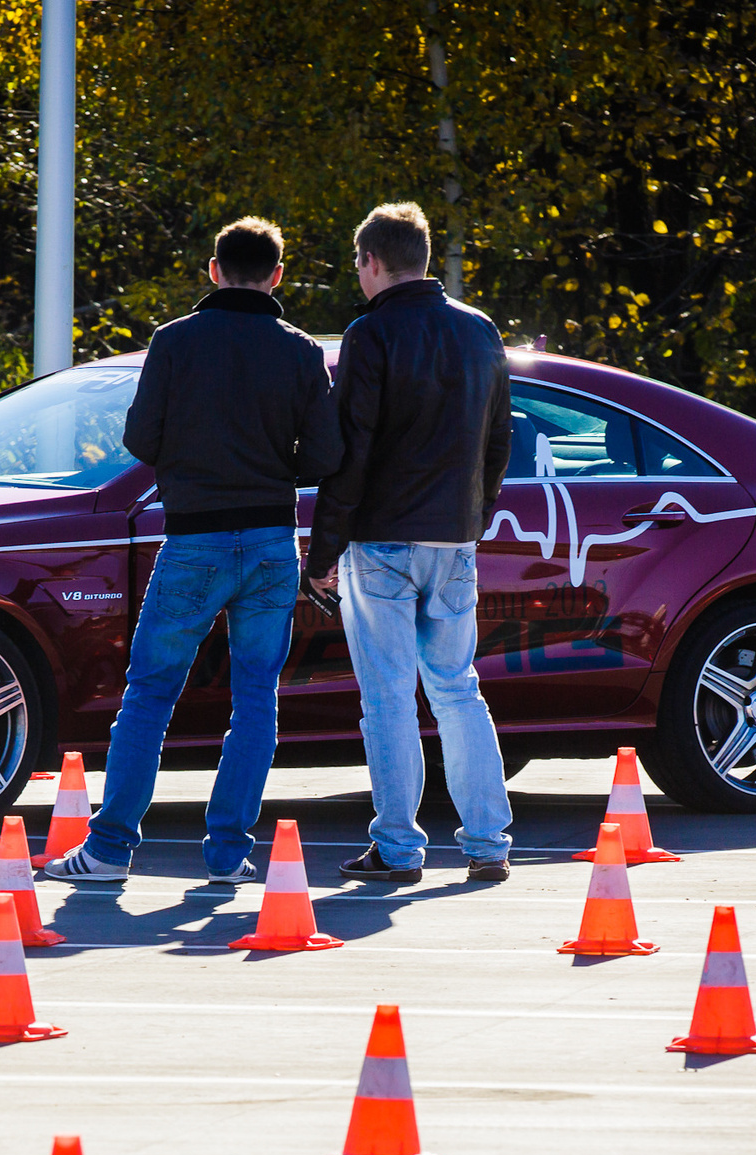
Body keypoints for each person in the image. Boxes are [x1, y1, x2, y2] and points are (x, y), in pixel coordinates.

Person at [43, 217, 343, 885]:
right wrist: (270, 462)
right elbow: (325, 455)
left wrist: (198, 455)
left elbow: (142, 440)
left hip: (194, 539)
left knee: (149, 692)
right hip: (270, 541)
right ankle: (229, 853)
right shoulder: (300, 352)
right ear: (278, 276)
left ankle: (110, 848)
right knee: (256, 697)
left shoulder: (174, 342)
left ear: (213, 270)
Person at [307, 201, 515, 883]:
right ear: (423, 259)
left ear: (371, 262)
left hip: (383, 540)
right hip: (453, 538)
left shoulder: (370, 335)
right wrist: (474, 519)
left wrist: (324, 550)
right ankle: (487, 841)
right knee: (458, 688)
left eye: (358, 265)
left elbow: (350, 450)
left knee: (389, 697)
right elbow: (497, 439)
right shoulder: (480, 331)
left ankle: (398, 846)